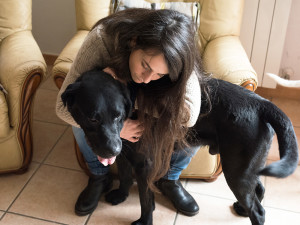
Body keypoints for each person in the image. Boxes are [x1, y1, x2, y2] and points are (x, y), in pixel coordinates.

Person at [56, 8, 205, 217]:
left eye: (159, 74)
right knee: (82, 114)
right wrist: (118, 126)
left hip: (145, 103)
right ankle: (100, 176)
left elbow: (189, 116)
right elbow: (61, 108)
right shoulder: (103, 39)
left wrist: (128, 98)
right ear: (134, 42)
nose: (146, 78)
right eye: (144, 65)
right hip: (110, 101)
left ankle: (169, 178)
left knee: (198, 123)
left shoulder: (181, 57)